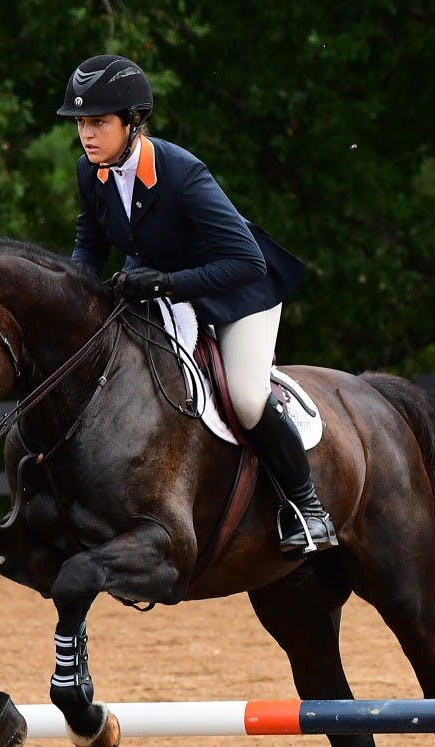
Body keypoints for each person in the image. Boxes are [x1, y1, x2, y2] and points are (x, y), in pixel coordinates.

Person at [58, 54, 336, 555]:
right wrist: (72, 301)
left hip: (238, 293)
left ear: (132, 121)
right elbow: (90, 247)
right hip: (163, 289)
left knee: (246, 398)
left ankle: (309, 508)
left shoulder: (181, 173)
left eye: (98, 122)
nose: (86, 134)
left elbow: (247, 261)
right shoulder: (90, 172)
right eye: (81, 123)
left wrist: (166, 283)